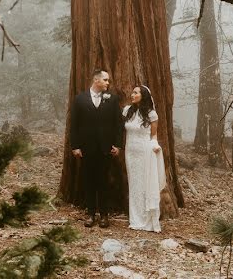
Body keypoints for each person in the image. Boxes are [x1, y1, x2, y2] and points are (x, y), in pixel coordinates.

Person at [69, 68, 123, 228]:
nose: (108, 83)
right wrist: (75, 146)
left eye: (108, 80)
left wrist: (117, 145)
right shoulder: (80, 99)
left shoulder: (112, 99)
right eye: (105, 80)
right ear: (96, 80)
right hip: (86, 149)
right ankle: (91, 214)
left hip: (106, 149)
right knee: (89, 181)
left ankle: (104, 215)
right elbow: (74, 125)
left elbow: (118, 124)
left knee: (104, 182)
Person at [122, 85, 165, 232]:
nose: (132, 95)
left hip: (144, 152)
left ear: (143, 96)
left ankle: (146, 219)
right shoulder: (127, 111)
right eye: (132, 92)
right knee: (134, 184)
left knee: (145, 184)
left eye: (135, 93)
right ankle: (135, 218)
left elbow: (154, 135)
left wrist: (155, 145)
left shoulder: (151, 114)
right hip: (130, 152)